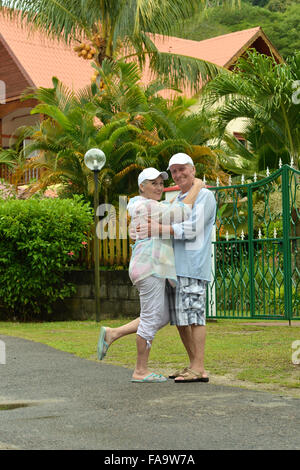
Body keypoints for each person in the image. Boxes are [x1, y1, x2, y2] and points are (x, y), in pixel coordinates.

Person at [97, 167, 204, 383]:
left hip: (150, 267)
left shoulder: (153, 205)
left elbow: (172, 208)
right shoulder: (143, 205)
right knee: (150, 318)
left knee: (162, 316)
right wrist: (198, 186)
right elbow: (180, 212)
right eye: (152, 183)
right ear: (141, 187)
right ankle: (140, 370)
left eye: (160, 183)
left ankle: (112, 334)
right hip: (149, 268)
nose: (158, 187)